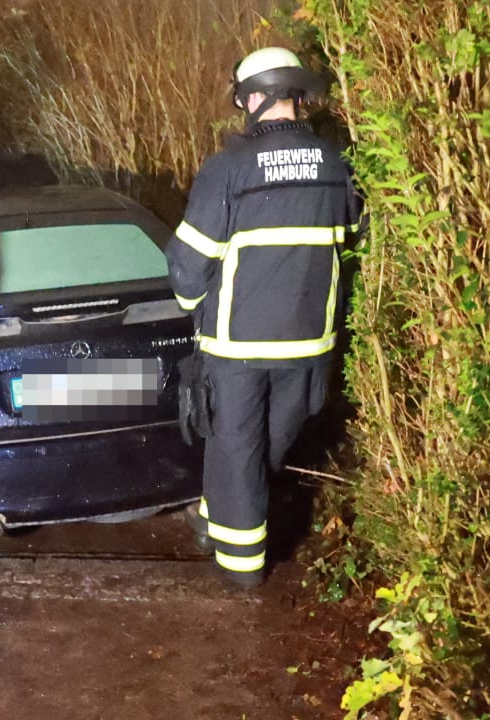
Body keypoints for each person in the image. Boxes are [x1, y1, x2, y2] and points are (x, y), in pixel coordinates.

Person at [166, 48, 360, 588]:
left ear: (254, 98)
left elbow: (189, 263)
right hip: (309, 344)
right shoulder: (336, 165)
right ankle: (214, 517)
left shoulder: (229, 168)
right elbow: (350, 237)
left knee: (237, 448)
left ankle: (241, 567)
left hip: (238, 346)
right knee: (266, 445)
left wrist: (192, 306)